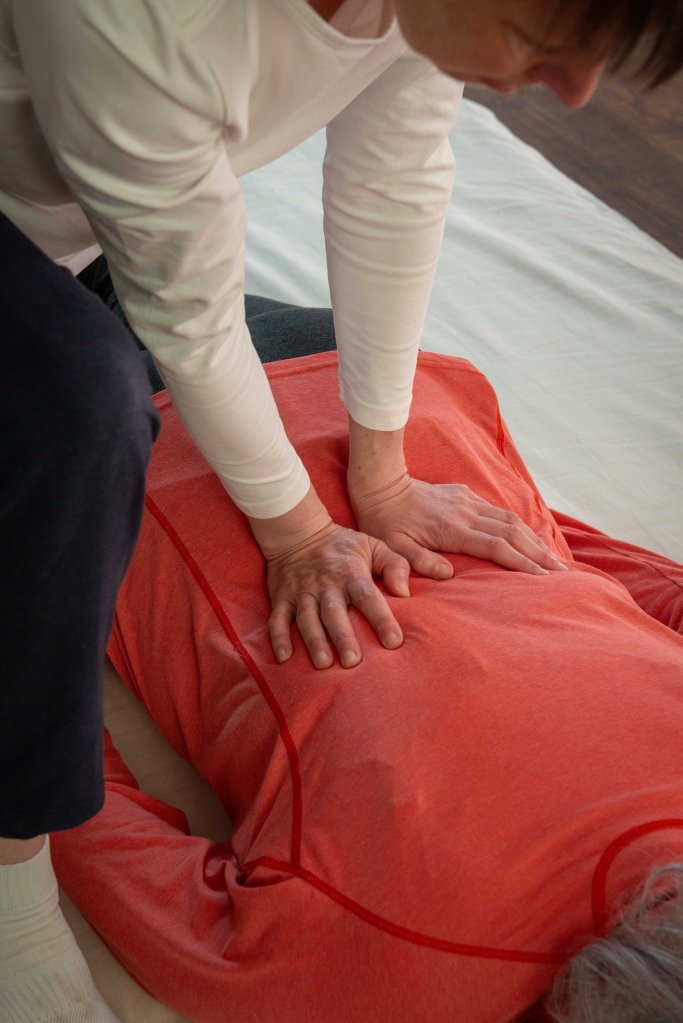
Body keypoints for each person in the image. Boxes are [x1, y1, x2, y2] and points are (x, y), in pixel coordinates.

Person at [1, 2, 682, 1021]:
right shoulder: (383, 968)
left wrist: (385, 466)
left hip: (332, 418)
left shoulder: (389, 962)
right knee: (84, 374)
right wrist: (298, 531)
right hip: (165, 421)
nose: (577, 91)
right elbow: (96, 826)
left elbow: (394, 173)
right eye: (560, 36)